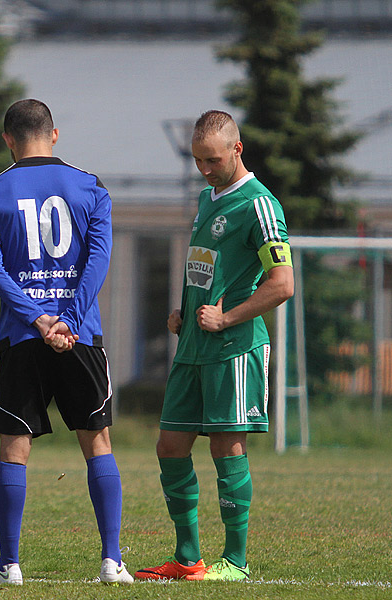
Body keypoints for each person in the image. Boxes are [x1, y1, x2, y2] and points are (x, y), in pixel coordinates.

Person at [0, 99, 133, 586]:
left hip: (23, 335)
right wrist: (68, 320)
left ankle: (9, 566)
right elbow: (98, 262)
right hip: (79, 336)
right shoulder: (92, 187)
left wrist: (39, 320)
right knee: (97, 443)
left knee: (13, 449)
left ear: (8, 139)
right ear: (54, 135)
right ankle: (111, 561)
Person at [135, 110, 294, 582]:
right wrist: (185, 310)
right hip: (193, 345)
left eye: (212, 159)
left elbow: (282, 284)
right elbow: (210, 266)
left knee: (227, 448)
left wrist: (225, 317)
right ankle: (188, 559)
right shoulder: (207, 199)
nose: (204, 169)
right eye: (198, 160)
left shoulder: (260, 205)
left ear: (237, 150)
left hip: (234, 347)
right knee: (170, 445)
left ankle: (236, 562)